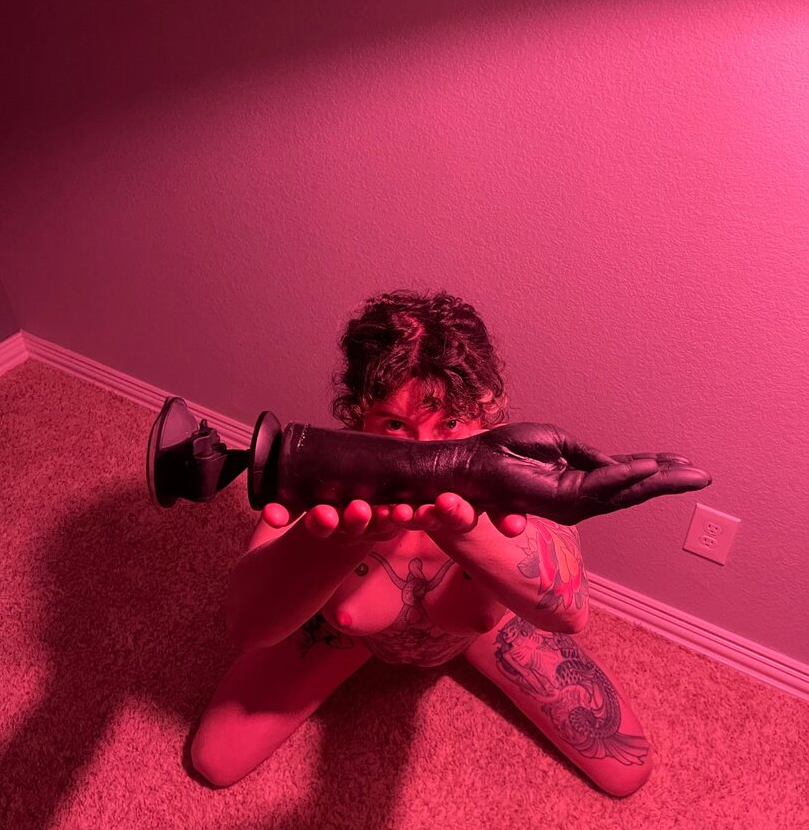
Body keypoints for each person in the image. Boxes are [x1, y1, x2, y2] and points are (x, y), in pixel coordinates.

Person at [189, 290, 653, 797]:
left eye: (449, 424)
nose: (422, 453)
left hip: (483, 633)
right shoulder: (320, 473)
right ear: (359, 417)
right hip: (352, 637)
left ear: (485, 414)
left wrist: (460, 527)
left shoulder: (516, 472)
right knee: (214, 759)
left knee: (628, 770)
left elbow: (571, 611)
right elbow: (247, 624)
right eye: (395, 425)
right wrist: (341, 542)